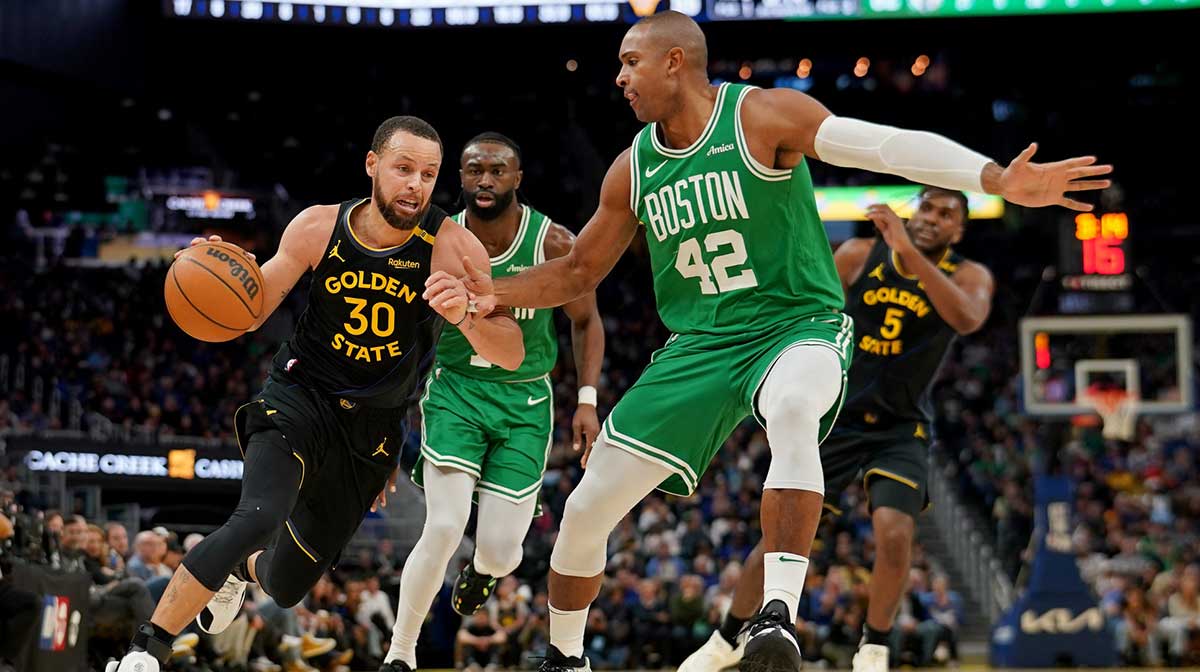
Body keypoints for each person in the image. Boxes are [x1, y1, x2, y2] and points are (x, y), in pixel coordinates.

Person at [461, 11, 1112, 672]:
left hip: (796, 323)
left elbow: (882, 146)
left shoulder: (761, 116)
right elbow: (577, 271)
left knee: (795, 411)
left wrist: (994, 178)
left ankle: (775, 617)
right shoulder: (632, 169)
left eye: (632, 61)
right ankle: (565, 658)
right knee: (584, 507)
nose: (620, 77)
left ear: (675, 62)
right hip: (701, 342)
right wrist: (493, 291)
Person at [107, 115, 524, 672]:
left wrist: (468, 316)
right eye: (403, 169)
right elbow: (251, 310)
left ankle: (239, 571)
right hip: (299, 396)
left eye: (428, 174)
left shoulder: (454, 246)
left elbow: (512, 350)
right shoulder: (316, 228)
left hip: (371, 431)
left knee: (285, 584)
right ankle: (146, 650)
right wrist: (215, 266)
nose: (415, 185)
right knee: (256, 515)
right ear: (373, 166)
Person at [681, 187, 996, 672]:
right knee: (780, 537)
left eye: (946, 214)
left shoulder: (970, 275)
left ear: (959, 229)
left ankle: (874, 648)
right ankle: (727, 638)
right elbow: (807, 304)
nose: (932, 218)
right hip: (837, 416)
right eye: (926, 208)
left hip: (899, 425)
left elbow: (967, 317)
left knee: (894, 534)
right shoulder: (857, 253)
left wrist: (907, 251)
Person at [382, 132, 604, 672]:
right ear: (459, 177)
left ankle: (482, 569)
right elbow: (406, 333)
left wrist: (587, 399)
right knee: (443, 524)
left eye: (497, 171)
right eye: (474, 170)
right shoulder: (438, 240)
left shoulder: (552, 242)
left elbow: (585, 321)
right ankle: (400, 654)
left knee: (505, 552)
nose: (485, 180)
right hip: (457, 390)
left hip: (525, 400)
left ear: (517, 179)